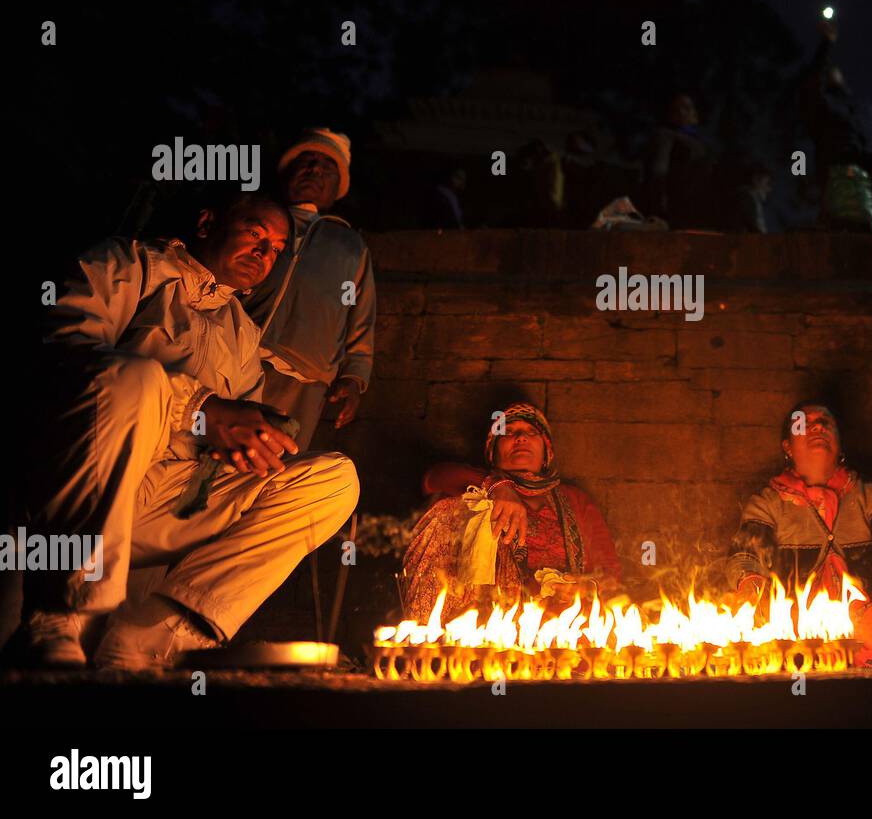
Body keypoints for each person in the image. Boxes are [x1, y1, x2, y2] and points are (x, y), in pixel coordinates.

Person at [25, 192, 360, 669]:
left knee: (332, 480)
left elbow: (227, 439)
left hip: (169, 501)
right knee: (133, 378)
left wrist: (252, 446)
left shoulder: (242, 334)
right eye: (255, 234)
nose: (264, 255)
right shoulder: (128, 265)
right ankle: (61, 611)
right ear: (207, 222)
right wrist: (199, 409)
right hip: (80, 491)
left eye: (276, 250)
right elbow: (60, 357)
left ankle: (156, 634)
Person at [726, 403, 872, 667]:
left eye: (826, 422)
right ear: (787, 446)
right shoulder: (767, 502)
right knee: (754, 631)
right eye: (804, 423)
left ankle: (845, 656)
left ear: (840, 444)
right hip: (794, 627)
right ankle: (856, 658)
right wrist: (750, 584)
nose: (818, 426)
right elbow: (745, 555)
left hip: (866, 624)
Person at [401, 403, 621, 622]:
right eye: (508, 432)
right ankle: (430, 638)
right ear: (493, 451)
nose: (521, 438)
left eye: (532, 432)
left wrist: (583, 587)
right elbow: (432, 479)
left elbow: (610, 572)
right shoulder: (476, 487)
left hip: (561, 626)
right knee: (451, 510)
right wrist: (497, 486)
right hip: (488, 622)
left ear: (546, 452)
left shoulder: (575, 500)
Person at [243, 129, 376, 451]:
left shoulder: (349, 247)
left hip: (303, 381)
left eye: (327, 168)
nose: (314, 170)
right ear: (286, 172)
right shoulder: (251, 220)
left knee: (273, 468)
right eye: (307, 161)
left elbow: (359, 317)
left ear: (337, 190)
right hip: (233, 355)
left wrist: (354, 377)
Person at [800, 19, 872, 233]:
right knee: (841, 216)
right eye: (827, 72)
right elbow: (812, 81)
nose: (832, 73)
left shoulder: (864, 106)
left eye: (835, 71)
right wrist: (826, 44)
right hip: (840, 164)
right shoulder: (823, 103)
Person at [642, 93, 714, 227]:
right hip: (680, 203)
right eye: (680, 108)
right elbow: (659, 169)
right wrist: (660, 201)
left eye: (689, 108)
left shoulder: (699, 140)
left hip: (701, 202)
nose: (684, 112)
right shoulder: (666, 135)